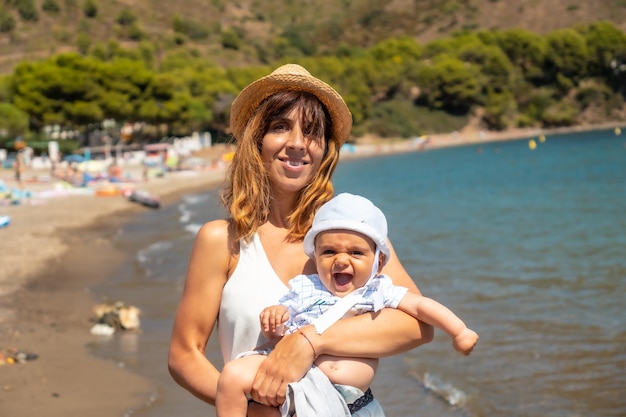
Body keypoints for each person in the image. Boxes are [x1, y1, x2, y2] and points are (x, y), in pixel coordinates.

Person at [167, 64, 435, 417]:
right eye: (280, 127)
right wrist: (249, 403)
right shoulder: (222, 240)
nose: (297, 143)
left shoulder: (353, 234)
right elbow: (184, 354)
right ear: (256, 140)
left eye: (312, 133)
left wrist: (310, 340)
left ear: (325, 149)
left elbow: (416, 324)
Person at [215, 193, 479, 417]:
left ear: (379, 263)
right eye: (329, 252)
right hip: (294, 382)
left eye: (356, 252)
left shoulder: (379, 289)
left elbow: (421, 308)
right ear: (315, 258)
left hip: (346, 397)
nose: (341, 260)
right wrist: (275, 318)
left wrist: (459, 331)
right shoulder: (308, 287)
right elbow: (280, 334)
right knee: (233, 375)